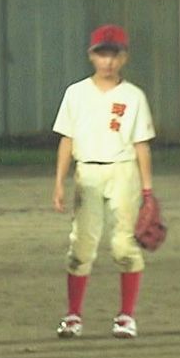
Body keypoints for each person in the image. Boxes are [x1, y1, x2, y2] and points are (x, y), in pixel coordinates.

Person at [52, 24, 156, 340]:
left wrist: (147, 190)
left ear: (123, 58)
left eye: (114, 54)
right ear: (91, 56)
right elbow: (66, 140)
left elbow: (141, 145)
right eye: (102, 54)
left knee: (125, 246)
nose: (108, 61)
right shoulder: (76, 93)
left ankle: (126, 316)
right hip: (87, 173)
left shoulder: (134, 96)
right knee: (81, 246)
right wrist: (59, 182)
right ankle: (73, 315)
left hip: (124, 172)